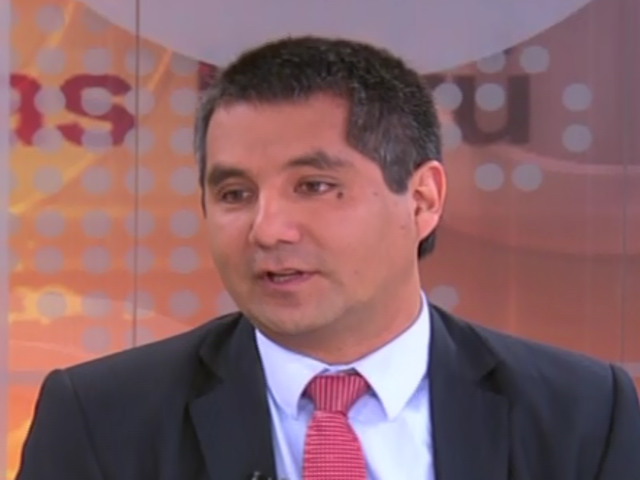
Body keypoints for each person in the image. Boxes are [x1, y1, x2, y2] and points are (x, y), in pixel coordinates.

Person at [16, 36, 640, 480]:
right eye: (234, 194)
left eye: (314, 186)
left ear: (422, 199)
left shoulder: (583, 415)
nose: (267, 229)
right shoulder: (101, 419)